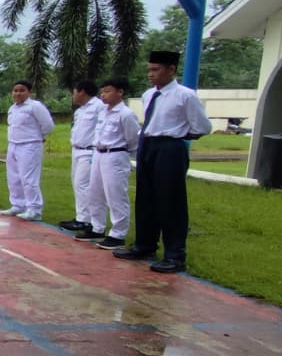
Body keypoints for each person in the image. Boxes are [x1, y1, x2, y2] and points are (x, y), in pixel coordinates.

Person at [113, 50, 212, 273]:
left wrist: (180, 135)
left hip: (170, 147)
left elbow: (202, 127)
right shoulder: (149, 95)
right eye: (149, 69)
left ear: (171, 69)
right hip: (148, 144)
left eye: (156, 69)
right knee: (146, 197)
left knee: (170, 200)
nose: (151, 74)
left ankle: (175, 254)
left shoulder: (185, 95)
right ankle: (145, 244)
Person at [77, 77, 139, 249]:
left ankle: (118, 234)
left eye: (108, 91)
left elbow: (133, 139)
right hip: (98, 153)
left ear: (120, 92)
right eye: (102, 91)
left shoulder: (126, 114)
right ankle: (97, 228)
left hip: (116, 154)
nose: (103, 95)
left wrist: (125, 154)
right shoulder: (103, 112)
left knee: (115, 195)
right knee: (94, 192)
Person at [0, 80, 55, 221]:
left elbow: (48, 125)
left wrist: (39, 136)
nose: (18, 93)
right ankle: (18, 204)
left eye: (21, 90)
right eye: (15, 90)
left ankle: (34, 209)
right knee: (13, 177)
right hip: (13, 144)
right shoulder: (13, 108)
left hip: (29, 145)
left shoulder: (34, 106)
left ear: (29, 92)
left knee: (29, 178)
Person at [58, 80, 106, 232]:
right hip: (77, 150)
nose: (73, 96)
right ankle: (81, 216)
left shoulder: (98, 106)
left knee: (84, 184)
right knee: (77, 184)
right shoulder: (80, 110)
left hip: (89, 150)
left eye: (74, 92)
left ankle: (87, 219)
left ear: (82, 92)